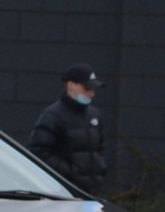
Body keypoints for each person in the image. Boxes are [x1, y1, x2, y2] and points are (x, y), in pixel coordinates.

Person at [30, 63, 108, 196]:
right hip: (65, 192)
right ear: (70, 85)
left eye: (93, 88)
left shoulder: (94, 114)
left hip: (92, 192)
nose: (92, 93)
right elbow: (38, 152)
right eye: (87, 87)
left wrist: (99, 169)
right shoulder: (53, 116)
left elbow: (99, 148)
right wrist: (69, 173)